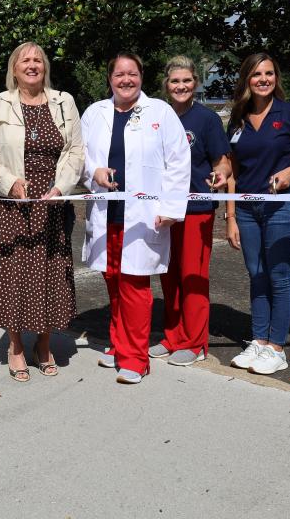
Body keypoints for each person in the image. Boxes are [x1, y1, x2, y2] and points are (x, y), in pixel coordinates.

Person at [0, 41, 83, 382]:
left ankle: (45, 345)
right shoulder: (0, 103)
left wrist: (61, 188)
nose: (32, 65)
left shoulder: (64, 102)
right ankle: (16, 346)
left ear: (44, 67)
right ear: (15, 68)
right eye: (25, 60)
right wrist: (8, 182)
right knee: (15, 275)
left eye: (38, 60)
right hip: (12, 205)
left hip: (51, 204)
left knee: (51, 273)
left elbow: (76, 153)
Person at [81, 52, 191, 384]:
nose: (126, 80)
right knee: (113, 281)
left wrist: (171, 209)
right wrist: (93, 173)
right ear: (110, 79)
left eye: (132, 73)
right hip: (107, 212)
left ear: (141, 76)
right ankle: (118, 343)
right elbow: (80, 156)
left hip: (144, 217)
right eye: (119, 74)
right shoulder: (94, 113)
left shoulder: (160, 111)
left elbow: (178, 160)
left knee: (134, 285)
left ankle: (135, 358)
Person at [225, 53, 290, 375]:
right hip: (247, 210)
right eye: (256, 74)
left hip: (281, 206)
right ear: (247, 79)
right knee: (256, 274)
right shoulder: (237, 118)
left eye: (269, 73)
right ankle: (259, 341)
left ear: (275, 77)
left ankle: (277, 348)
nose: (263, 79)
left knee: (278, 275)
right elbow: (233, 172)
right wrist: (231, 216)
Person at [147, 56, 231, 366]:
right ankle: (172, 337)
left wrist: (221, 172)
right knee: (168, 275)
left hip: (196, 208)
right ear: (166, 85)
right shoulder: (157, 116)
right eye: (174, 81)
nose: (181, 86)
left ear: (195, 83)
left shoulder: (206, 119)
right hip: (163, 208)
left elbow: (222, 160)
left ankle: (195, 343)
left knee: (192, 275)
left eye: (186, 81)